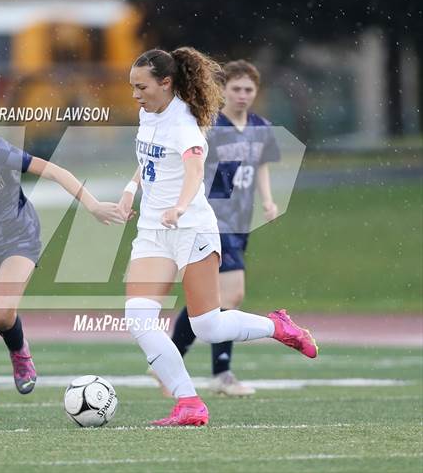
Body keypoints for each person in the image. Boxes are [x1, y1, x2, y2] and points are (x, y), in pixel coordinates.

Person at [118, 48, 317, 427]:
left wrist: (179, 205)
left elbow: (193, 171)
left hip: (192, 229)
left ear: (166, 83)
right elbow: (148, 160)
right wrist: (130, 190)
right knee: (139, 319)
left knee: (206, 325)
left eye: (141, 87)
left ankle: (278, 327)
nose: (135, 95)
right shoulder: (148, 114)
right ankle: (189, 402)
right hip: (151, 232)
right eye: (132, 87)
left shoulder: (185, 124)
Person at [0, 81, 124, 419]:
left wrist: (92, 206)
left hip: (20, 235)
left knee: (1, 314)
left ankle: (20, 353)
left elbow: (55, 171)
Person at [160, 60, 281, 397]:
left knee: (211, 299)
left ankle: (169, 360)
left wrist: (268, 201)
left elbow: (261, 168)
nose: (242, 95)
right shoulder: (210, 127)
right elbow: (191, 167)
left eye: (249, 89)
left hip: (240, 222)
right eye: (236, 88)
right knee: (232, 294)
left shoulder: (260, 127)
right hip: (213, 219)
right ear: (223, 90)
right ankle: (221, 373)